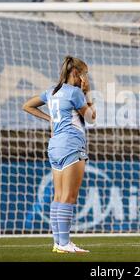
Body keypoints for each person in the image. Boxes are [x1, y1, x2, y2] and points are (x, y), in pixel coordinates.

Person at [22, 56, 96, 253]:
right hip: (71, 145)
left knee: (58, 195)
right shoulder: (75, 93)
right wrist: (87, 93)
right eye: (84, 73)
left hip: (55, 146)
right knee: (68, 196)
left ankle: (59, 242)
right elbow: (91, 118)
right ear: (75, 73)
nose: (86, 78)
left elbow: (27, 105)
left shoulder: (52, 92)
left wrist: (50, 120)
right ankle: (64, 243)